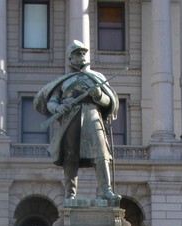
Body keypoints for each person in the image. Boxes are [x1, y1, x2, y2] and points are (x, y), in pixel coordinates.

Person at [35, 40, 121, 206]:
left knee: (101, 154)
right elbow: (51, 102)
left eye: (83, 53)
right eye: (77, 53)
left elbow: (110, 101)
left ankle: (106, 190)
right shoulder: (64, 81)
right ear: (70, 58)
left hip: (92, 116)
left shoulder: (97, 78)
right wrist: (58, 107)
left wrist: (98, 96)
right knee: (70, 157)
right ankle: (70, 195)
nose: (81, 56)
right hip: (71, 119)